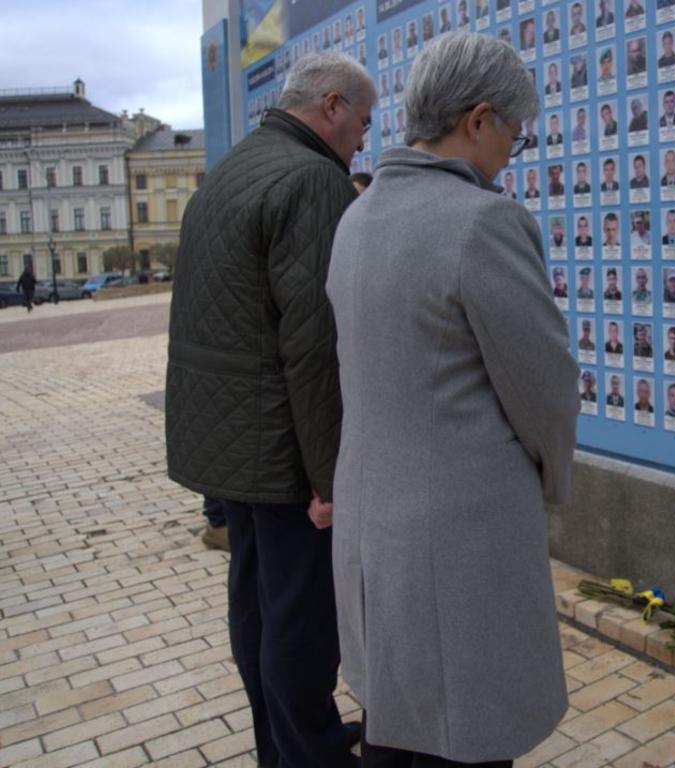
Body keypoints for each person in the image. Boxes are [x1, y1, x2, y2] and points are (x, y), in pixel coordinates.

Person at [326, 32, 579, 766]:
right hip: (460, 542)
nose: (512, 151)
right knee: (464, 736)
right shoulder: (483, 221)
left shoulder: (357, 218)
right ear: (477, 119)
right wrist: (552, 481)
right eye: (514, 133)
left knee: (396, 732)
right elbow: (546, 391)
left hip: (376, 536)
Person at [166, 51, 374, 768]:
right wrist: (328, 476)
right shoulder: (313, 181)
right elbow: (314, 345)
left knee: (256, 606)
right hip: (279, 444)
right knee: (300, 620)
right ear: (332, 106)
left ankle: (283, 743)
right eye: (363, 122)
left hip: (229, 443)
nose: (363, 140)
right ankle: (309, 753)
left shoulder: (234, 167)